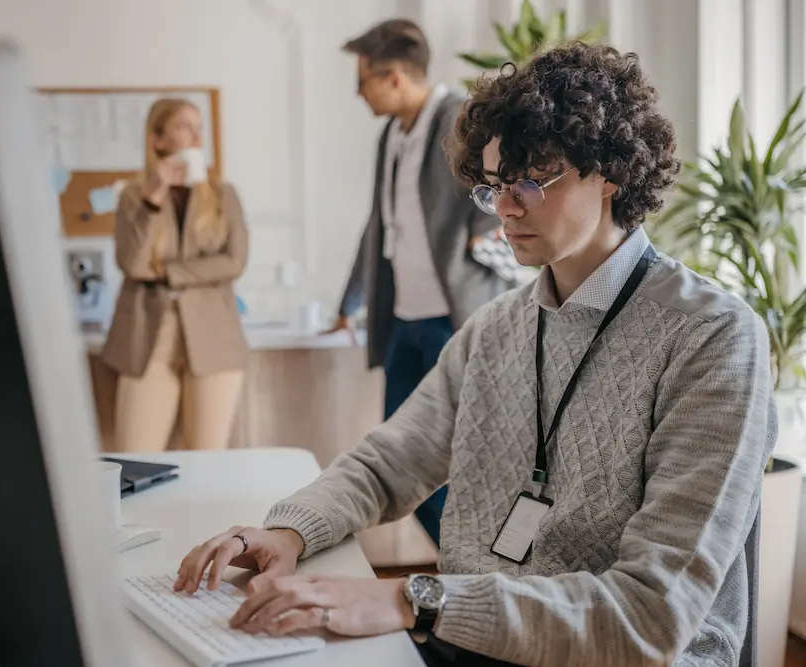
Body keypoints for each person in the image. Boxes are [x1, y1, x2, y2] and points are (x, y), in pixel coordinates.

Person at [174, 43, 777, 667]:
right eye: (493, 187)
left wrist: (411, 602)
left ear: (610, 173)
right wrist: (289, 529)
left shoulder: (714, 337)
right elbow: (389, 463)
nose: (506, 209)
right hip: (472, 638)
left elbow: (649, 618)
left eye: (529, 181)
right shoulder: (497, 328)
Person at [324, 19, 516, 546]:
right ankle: (461, 566)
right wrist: (351, 303)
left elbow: (495, 189)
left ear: (393, 77)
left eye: (362, 81)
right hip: (403, 321)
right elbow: (378, 222)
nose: (358, 93)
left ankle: (470, 573)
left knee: (463, 463)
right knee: (402, 464)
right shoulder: (392, 134)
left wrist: (486, 230)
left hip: (453, 321)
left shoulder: (458, 118)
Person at [103, 98, 248, 453]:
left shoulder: (222, 195)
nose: (197, 137)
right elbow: (133, 263)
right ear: (157, 139)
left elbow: (234, 262)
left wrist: (167, 272)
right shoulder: (132, 198)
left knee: (208, 462)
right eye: (185, 127)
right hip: (148, 339)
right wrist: (153, 200)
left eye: (200, 128)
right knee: (135, 463)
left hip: (214, 338)